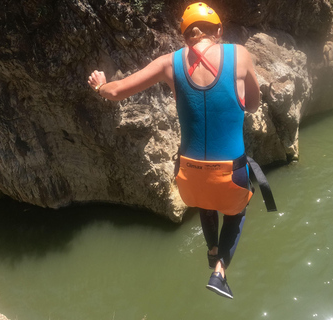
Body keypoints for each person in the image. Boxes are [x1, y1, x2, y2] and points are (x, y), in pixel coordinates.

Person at [88, 2, 276, 299]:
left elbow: (116, 92)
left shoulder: (168, 63)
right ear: (219, 31)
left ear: (186, 36)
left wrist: (99, 86)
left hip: (188, 177)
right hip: (231, 175)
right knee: (236, 212)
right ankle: (220, 273)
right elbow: (252, 105)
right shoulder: (239, 54)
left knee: (205, 199)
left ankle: (211, 248)